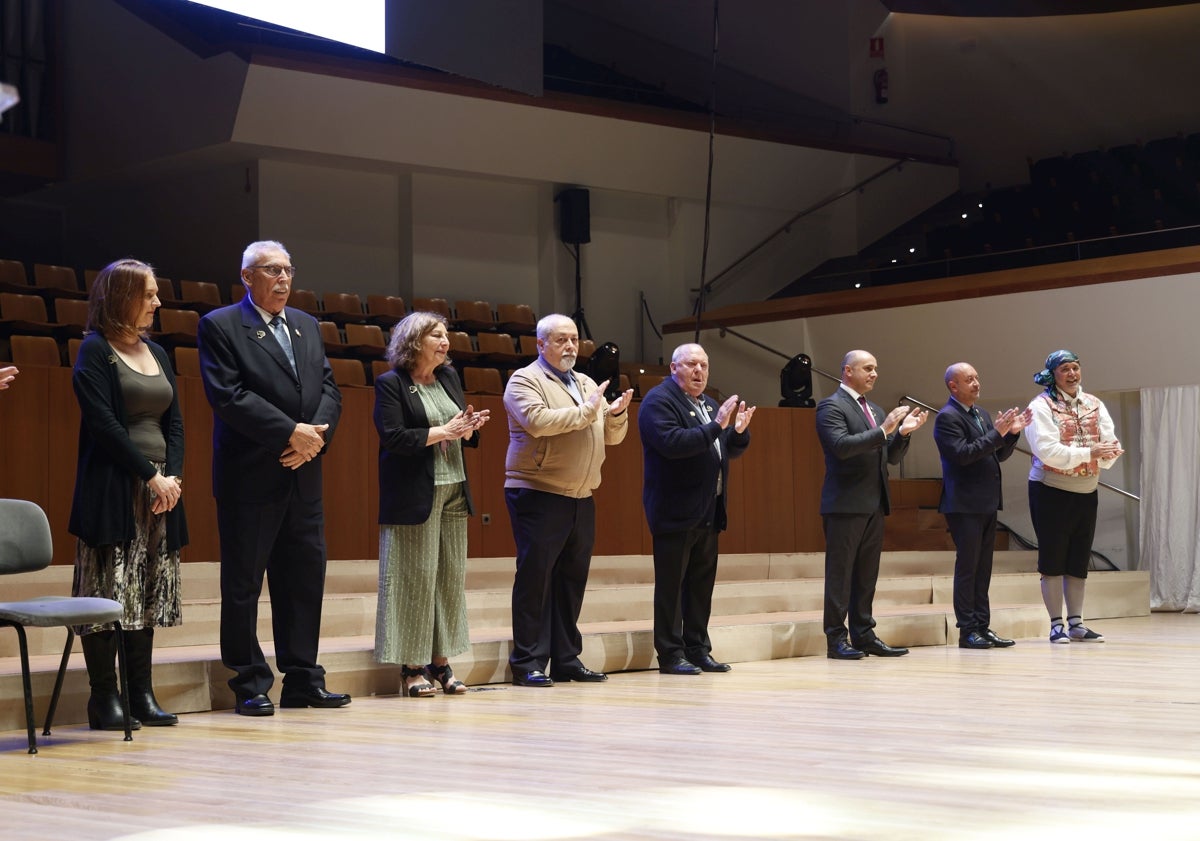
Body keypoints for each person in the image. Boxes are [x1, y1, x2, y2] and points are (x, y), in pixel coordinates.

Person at [197, 240, 349, 716]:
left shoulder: (305, 325)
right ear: (247, 277)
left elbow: (328, 388)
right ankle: (249, 682)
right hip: (251, 476)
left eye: (287, 270)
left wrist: (314, 439)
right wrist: (290, 433)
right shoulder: (221, 325)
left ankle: (303, 679)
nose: (283, 279)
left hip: (304, 474)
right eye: (271, 270)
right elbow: (229, 396)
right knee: (243, 584)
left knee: (304, 580)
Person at [69, 258, 186, 730]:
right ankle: (104, 699)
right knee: (106, 589)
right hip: (115, 486)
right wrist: (148, 475)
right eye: (150, 294)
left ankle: (141, 694)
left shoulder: (157, 353)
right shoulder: (95, 351)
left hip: (161, 488)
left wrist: (172, 477)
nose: (158, 302)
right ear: (123, 297)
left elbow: (174, 421)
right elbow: (104, 425)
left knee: (146, 589)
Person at [503, 313, 633, 687]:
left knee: (571, 581)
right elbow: (539, 421)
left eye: (574, 340)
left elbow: (611, 437)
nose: (571, 347)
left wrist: (617, 416)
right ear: (540, 344)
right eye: (561, 340)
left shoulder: (586, 381)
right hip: (538, 491)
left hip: (581, 494)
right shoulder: (524, 380)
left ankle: (566, 659)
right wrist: (588, 411)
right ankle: (527, 661)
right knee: (535, 580)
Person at [374, 311, 490, 697]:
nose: (445, 342)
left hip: (454, 487)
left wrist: (468, 427)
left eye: (446, 335)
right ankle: (411, 667)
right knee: (414, 579)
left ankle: (441, 662)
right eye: (436, 336)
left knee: (449, 577)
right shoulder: (392, 384)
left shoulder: (449, 378)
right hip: (414, 494)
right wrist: (445, 430)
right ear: (413, 341)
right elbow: (394, 437)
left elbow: (458, 430)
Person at [639, 343, 754, 675]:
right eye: (691, 365)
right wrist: (718, 425)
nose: (699, 371)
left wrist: (738, 433)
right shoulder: (658, 402)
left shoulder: (707, 404)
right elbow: (674, 444)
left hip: (708, 510)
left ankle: (698, 648)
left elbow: (721, 448)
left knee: (701, 585)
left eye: (704, 365)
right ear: (674, 368)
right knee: (672, 588)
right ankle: (671, 654)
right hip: (674, 511)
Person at [816, 349, 928, 660]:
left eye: (876, 368)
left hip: (874, 502)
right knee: (840, 575)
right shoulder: (830, 406)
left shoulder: (877, 410)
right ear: (847, 371)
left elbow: (888, 455)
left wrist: (902, 435)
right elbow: (840, 447)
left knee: (867, 574)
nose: (874, 373)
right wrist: (884, 431)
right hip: (845, 504)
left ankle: (864, 634)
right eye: (867, 368)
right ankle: (836, 639)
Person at [1024, 350, 1123, 644]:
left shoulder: (1094, 403)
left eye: (1075, 368)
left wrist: (1108, 454)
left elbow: (1108, 440)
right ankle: (1056, 624)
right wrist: (1090, 452)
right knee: (1053, 558)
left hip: (1086, 490)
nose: (1072, 374)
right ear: (1053, 374)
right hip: (1050, 491)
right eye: (1065, 369)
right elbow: (1047, 451)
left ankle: (1077, 622)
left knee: (1079, 559)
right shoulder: (1041, 406)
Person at [933, 363, 1031, 650]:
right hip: (964, 504)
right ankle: (967, 630)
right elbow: (963, 455)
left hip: (986, 501)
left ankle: (982, 626)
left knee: (983, 568)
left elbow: (996, 454)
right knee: (968, 567)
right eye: (969, 379)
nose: (976, 383)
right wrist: (995, 434)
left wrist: (1011, 434)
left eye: (977, 377)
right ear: (954, 386)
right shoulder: (947, 418)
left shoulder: (981, 414)